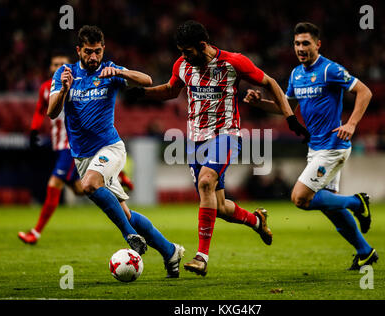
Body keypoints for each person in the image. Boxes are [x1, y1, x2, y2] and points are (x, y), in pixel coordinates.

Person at [129, 20, 309, 276]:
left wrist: (289, 116)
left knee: (206, 183)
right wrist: (142, 94)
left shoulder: (233, 62)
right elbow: (170, 90)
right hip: (195, 141)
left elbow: (270, 83)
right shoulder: (182, 65)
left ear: (202, 45)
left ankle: (201, 257)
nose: (184, 57)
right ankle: (257, 221)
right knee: (220, 207)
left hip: (225, 135)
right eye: (181, 51)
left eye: (188, 51)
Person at [47, 25, 184, 278]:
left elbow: (147, 81)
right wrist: (64, 89)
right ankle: (170, 251)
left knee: (89, 185)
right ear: (78, 50)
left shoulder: (109, 71)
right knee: (127, 214)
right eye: (88, 52)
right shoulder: (64, 74)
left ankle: (128, 235)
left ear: (103, 49)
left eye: (97, 52)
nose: (93, 58)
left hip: (110, 147)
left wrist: (122, 72)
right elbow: (52, 112)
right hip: (83, 157)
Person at [244, 22, 378, 270]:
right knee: (331, 208)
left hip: (334, 145)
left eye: (305, 43)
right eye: (296, 43)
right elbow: (286, 108)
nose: (300, 48)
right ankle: (365, 252)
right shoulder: (296, 74)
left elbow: (365, 92)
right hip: (316, 148)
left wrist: (352, 123)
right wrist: (259, 102)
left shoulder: (330, 70)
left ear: (317, 44)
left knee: (300, 198)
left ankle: (358, 203)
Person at [18, 53, 135, 245]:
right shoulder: (47, 88)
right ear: (50, 67)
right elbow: (42, 111)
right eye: (55, 64)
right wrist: (33, 130)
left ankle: (36, 232)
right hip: (59, 145)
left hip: (70, 146)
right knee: (81, 189)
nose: (59, 67)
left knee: (54, 183)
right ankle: (116, 178)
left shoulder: (78, 82)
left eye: (63, 64)